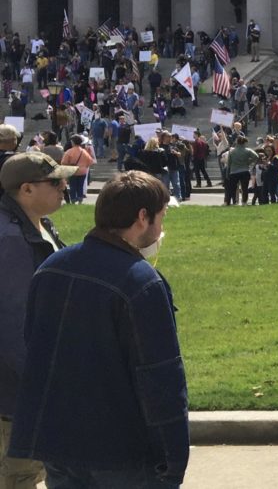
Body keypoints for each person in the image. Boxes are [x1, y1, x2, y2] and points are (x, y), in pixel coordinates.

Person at [8, 171, 189, 488]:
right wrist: (173, 460)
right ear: (142, 217)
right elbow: (159, 378)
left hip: (58, 445)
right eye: (161, 217)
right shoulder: (141, 283)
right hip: (121, 453)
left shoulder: (51, 268)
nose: (162, 228)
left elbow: (34, 350)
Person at [0, 152, 72, 489]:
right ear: (26, 189)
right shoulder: (10, 240)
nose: (65, 186)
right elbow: (14, 325)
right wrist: (43, 389)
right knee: (19, 476)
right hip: (17, 396)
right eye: (55, 181)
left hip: (27, 388)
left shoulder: (37, 223)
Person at [60, 135, 95, 204]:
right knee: (80, 186)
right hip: (83, 172)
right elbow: (91, 161)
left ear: (73, 142)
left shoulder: (69, 151)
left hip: (73, 171)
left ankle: (73, 199)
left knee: (73, 186)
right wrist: (84, 166)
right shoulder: (84, 152)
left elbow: (63, 162)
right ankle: (80, 199)